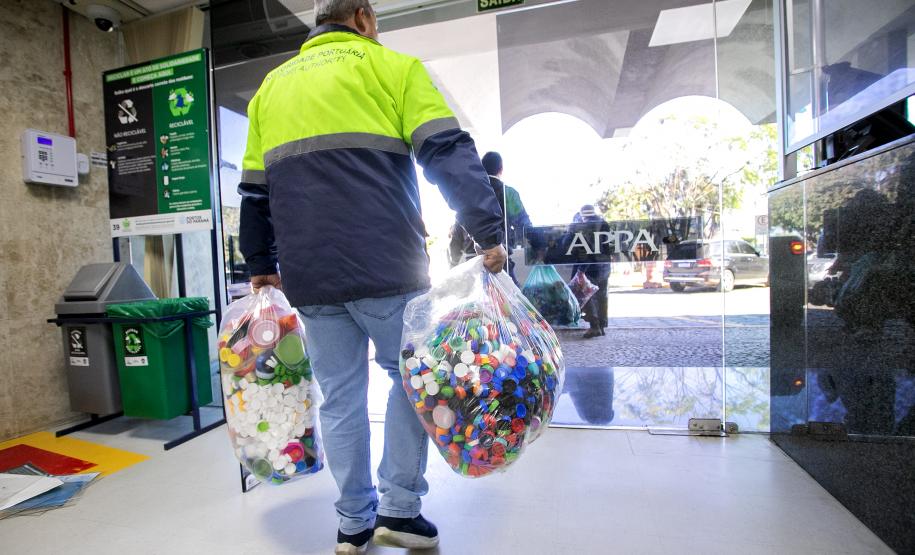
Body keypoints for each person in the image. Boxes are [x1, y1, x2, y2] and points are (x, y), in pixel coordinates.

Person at [237, 1, 507, 553]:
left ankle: (353, 523)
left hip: (310, 275)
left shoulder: (270, 90)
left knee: (339, 396)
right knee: (412, 383)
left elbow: (254, 191)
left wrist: (261, 264)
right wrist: (487, 229)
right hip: (388, 268)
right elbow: (446, 151)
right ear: (362, 17)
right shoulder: (393, 68)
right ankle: (400, 511)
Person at [448, 152, 532, 283]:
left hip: (473, 265)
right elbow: (524, 224)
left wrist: (453, 263)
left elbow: (457, 231)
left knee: (479, 303)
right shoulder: (509, 194)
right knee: (510, 301)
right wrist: (535, 246)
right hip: (501, 262)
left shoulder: (469, 194)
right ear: (501, 169)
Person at [571, 205, 611, 338]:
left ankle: (594, 327)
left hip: (590, 266)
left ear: (583, 215)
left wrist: (581, 270)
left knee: (588, 295)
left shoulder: (585, 227)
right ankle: (602, 325)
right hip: (604, 265)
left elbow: (586, 250)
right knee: (602, 295)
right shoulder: (604, 224)